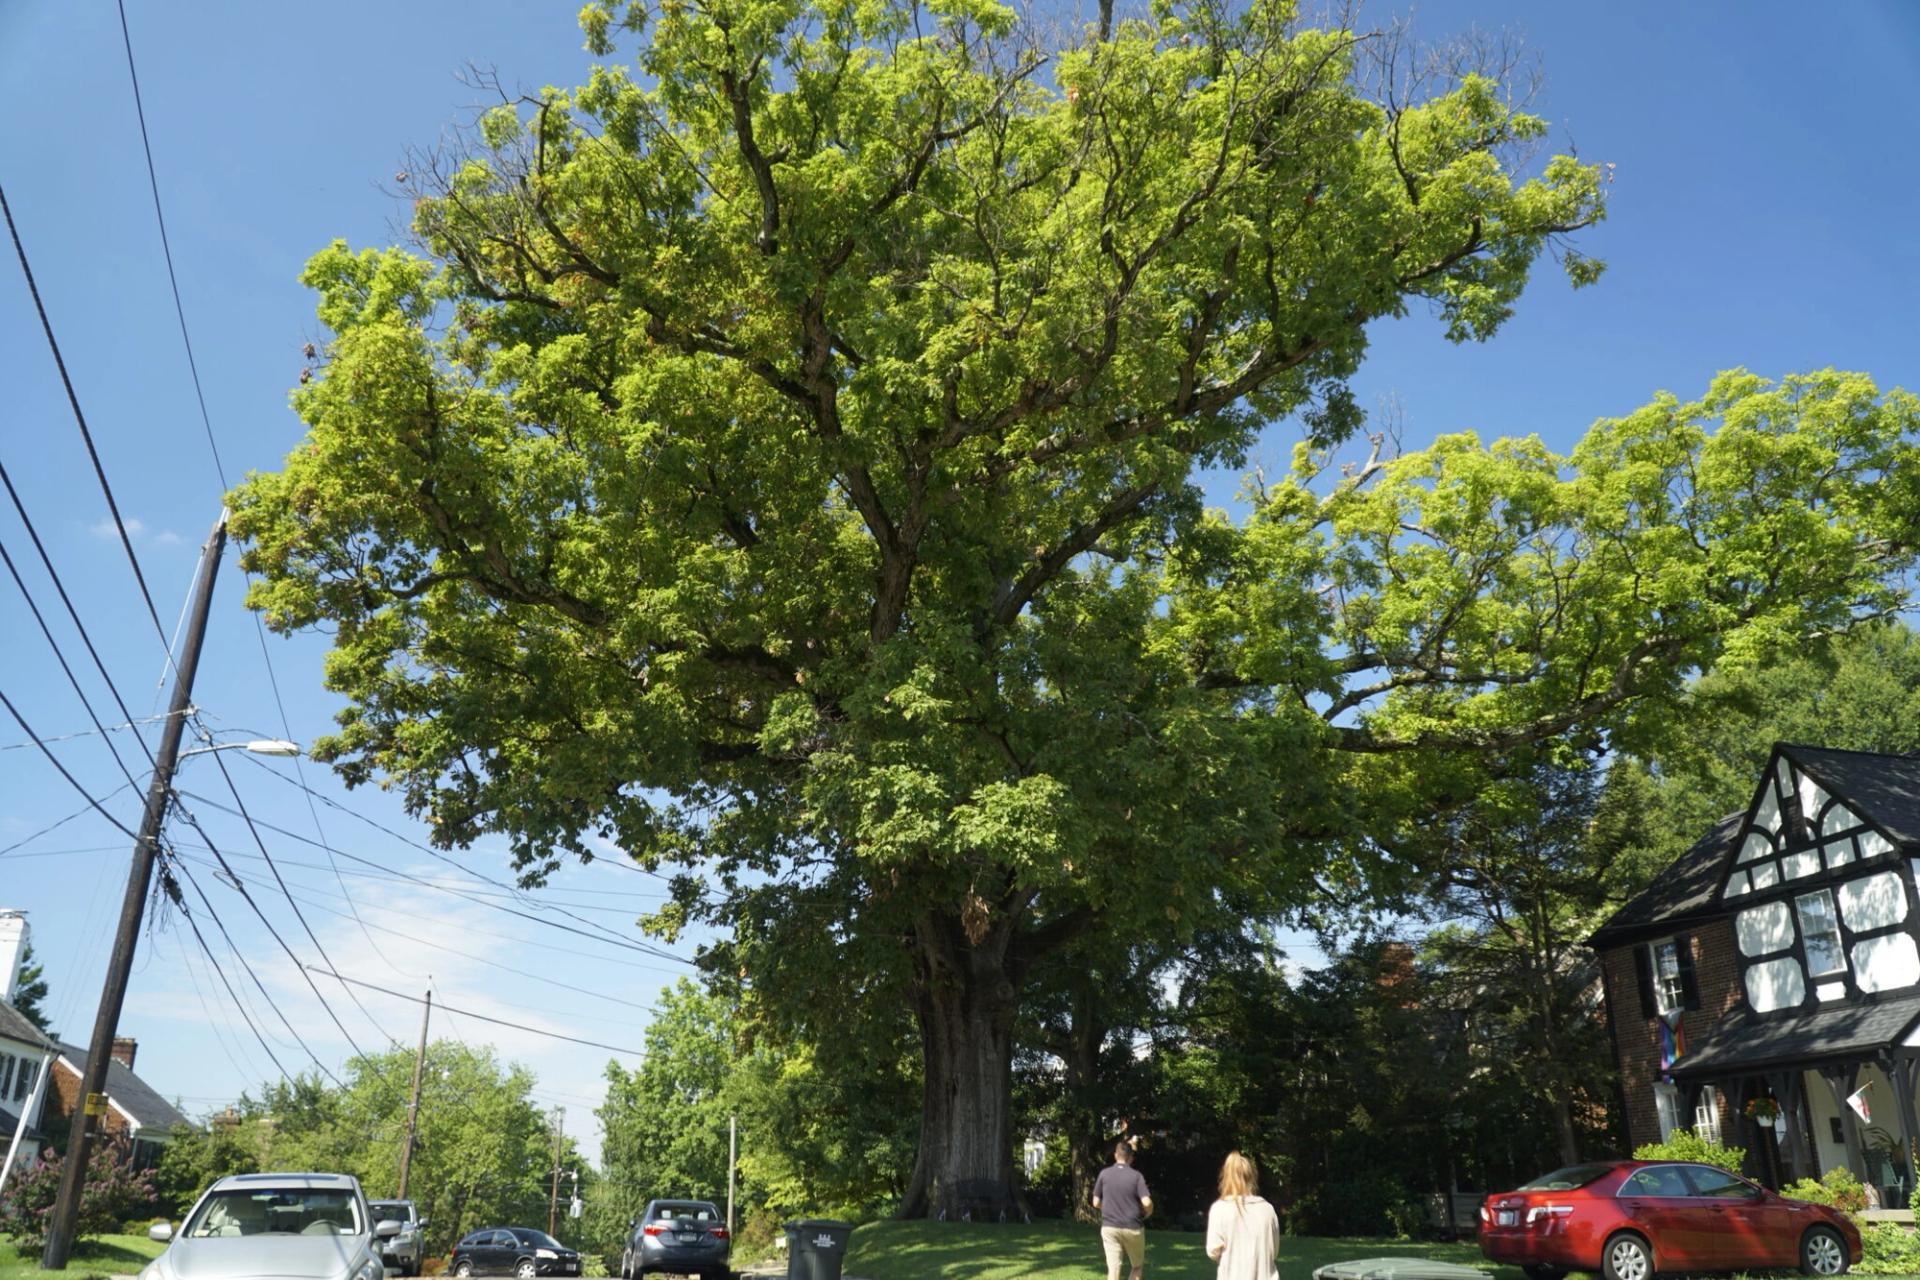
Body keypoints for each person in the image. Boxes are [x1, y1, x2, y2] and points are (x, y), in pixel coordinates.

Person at [1206, 1151, 1280, 1280]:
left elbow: (1213, 1250)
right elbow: (1274, 1250)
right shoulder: (1268, 1209)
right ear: (1251, 1177)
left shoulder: (1219, 1209)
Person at [1092, 1139, 1153, 1280]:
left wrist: (1106, 1207)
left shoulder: (1104, 1174)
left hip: (1109, 1227)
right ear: (1130, 1158)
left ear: (1115, 1155)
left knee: (1113, 1269)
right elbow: (1146, 1201)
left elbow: (1095, 1202)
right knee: (1137, 1267)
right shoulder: (1136, 1176)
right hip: (1132, 1226)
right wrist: (1149, 1211)